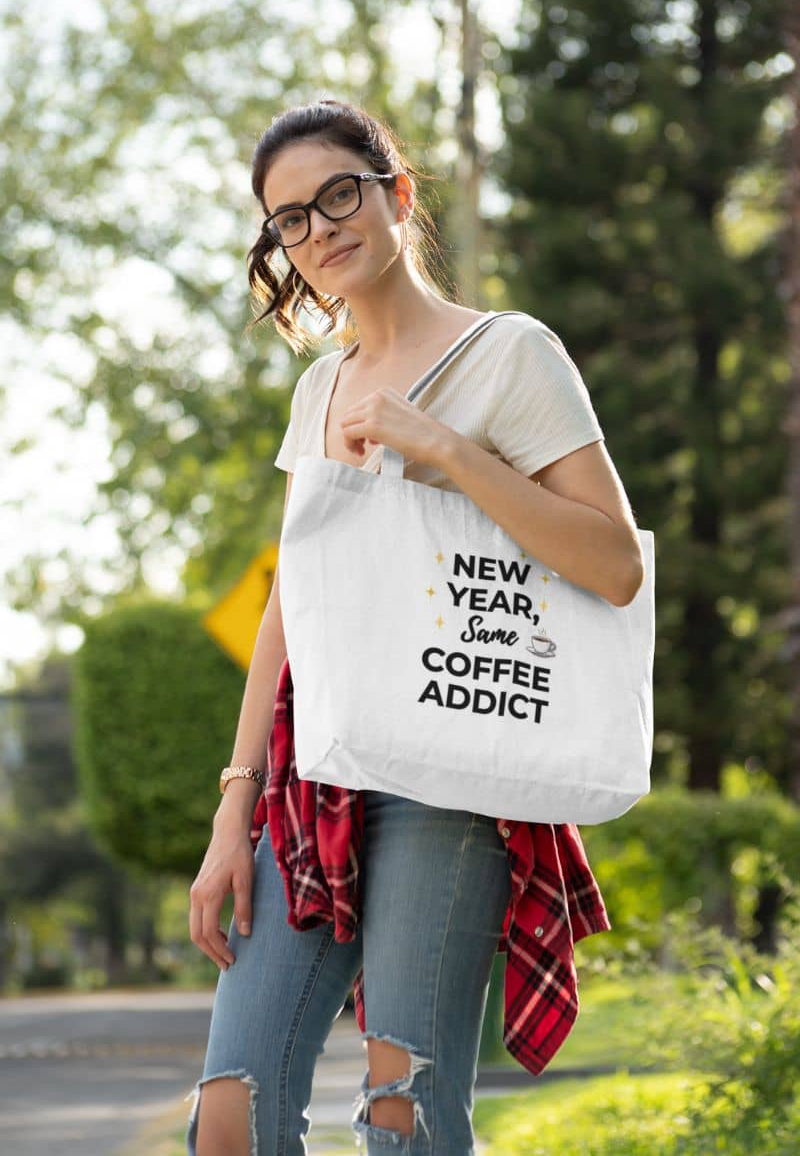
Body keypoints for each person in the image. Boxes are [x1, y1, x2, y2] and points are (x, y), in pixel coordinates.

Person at [186, 98, 641, 1156]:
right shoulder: (319, 389)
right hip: (312, 776)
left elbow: (614, 565)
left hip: (453, 770)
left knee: (404, 1114)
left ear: (395, 193)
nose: (319, 230)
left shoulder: (510, 354)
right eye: (290, 219)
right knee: (230, 1115)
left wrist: (442, 450)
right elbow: (292, 605)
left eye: (338, 195)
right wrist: (231, 811)